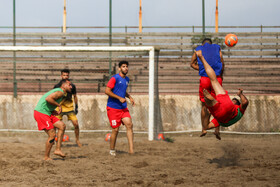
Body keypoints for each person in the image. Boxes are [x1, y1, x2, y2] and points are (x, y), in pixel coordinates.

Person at [195, 50, 249, 140]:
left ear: (236, 104)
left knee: (214, 80)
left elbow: (245, 102)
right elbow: (208, 126)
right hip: (221, 113)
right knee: (208, 112)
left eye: (234, 100)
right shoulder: (233, 116)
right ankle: (209, 102)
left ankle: (201, 58)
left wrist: (240, 94)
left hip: (227, 106)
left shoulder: (239, 110)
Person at [190, 38, 225, 137]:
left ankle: (203, 129)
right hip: (217, 78)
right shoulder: (217, 48)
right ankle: (217, 130)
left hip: (205, 79)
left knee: (204, 106)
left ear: (202, 44)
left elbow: (191, 64)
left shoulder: (199, 49)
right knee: (217, 104)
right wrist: (221, 75)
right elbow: (222, 62)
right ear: (211, 43)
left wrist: (202, 69)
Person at [34, 79, 72, 160]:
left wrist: (52, 110)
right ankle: (46, 157)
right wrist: (58, 106)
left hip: (47, 112)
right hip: (41, 113)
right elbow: (48, 99)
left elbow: (47, 102)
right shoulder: (60, 92)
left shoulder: (61, 93)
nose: (71, 87)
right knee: (52, 135)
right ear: (63, 85)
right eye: (69, 85)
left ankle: (58, 149)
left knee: (62, 126)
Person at [105, 60, 135, 156]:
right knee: (115, 129)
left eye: (126, 66)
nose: (125, 68)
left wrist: (129, 97)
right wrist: (119, 98)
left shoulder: (127, 79)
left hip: (123, 108)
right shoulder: (114, 78)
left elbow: (122, 90)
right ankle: (112, 149)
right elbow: (107, 91)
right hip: (113, 108)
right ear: (119, 68)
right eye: (123, 66)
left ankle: (131, 150)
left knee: (129, 125)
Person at [54, 69, 82, 147]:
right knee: (56, 125)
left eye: (67, 75)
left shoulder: (72, 86)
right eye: (64, 75)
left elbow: (75, 96)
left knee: (76, 124)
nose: (65, 77)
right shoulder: (57, 86)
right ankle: (54, 140)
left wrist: (76, 106)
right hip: (59, 108)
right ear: (61, 76)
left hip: (69, 108)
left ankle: (77, 140)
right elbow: (53, 97)